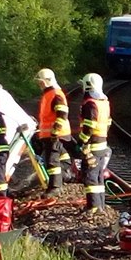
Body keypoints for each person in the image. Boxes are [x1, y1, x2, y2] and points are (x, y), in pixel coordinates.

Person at [35, 68, 76, 199]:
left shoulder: (55, 94)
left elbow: (62, 114)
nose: (39, 85)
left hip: (55, 135)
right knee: (57, 157)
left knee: (52, 161)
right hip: (50, 134)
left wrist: (55, 132)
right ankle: (64, 176)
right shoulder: (49, 94)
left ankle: (55, 187)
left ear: (47, 81)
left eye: (41, 82)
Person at [77, 73, 112, 214]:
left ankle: (93, 207)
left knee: (90, 175)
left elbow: (88, 126)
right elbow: (108, 122)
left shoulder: (90, 104)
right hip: (102, 143)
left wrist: (81, 141)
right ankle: (100, 205)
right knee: (98, 176)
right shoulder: (104, 102)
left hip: (92, 145)